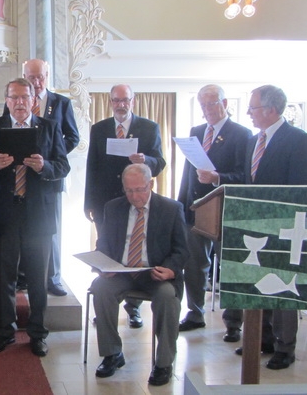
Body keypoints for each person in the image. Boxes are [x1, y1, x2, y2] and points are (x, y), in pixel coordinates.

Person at [0, 78, 70, 357]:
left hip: (38, 214)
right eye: (13, 97)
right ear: (6, 100)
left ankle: (38, 334)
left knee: (38, 279)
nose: (19, 103)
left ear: (33, 100)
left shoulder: (49, 127)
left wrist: (44, 166)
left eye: (24, 97)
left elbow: (63, 166)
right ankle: (5, 332)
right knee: (5, 278)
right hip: (4, 213)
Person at [224, 84, 307, 370]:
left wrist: (277, 218)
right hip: (253, 223)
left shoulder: (298, 140)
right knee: (258, 283)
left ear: (271, 109)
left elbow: (302, 188)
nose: (248, 113)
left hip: (284, 227)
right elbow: (248, 182)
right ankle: (261, 338)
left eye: (253, 108)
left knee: (283, 288)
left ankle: (284, 347)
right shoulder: (253, 141)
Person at [90, 164, 189, 386]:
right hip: (122, 272)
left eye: (140, 190)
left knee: (167, 297)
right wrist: (103, 265)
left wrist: (170, 270)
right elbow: (103, 243)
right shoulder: (113, 207)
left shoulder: (171, 209)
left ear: (150, 184)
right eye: (129, 191)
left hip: (155, 272)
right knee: (100, 288)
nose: (135, 196)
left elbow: (182, 250)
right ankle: (112, 353)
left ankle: (163, 363)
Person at [84, 84, 166, 328]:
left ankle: (133, 307)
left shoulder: (149, 127)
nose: (121, 105)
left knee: (135, 249)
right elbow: (92, 166)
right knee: (107, 250)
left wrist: (146, 160)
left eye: (125, 100)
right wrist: (89, 202)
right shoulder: (99, 128)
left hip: (137, 200)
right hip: (106, 203)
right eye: (116, 100)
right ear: (110, 102)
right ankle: (105, 305)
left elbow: (160, 162)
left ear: (133, 100)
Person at [177, 85, 251, 333]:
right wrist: (182, 204)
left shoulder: (241, 134)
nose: (207, 109)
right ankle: (195, 313)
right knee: (194, 264)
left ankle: (233, 322)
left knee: (230, 266)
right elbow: (189, 172)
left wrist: (217, 178)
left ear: (225, 103)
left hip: (226, 210)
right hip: (196, 208)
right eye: (203, 105)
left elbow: (244, 176)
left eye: (212, 104)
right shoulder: (196, 132)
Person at [6, 59, 80, 296]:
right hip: (21, 177)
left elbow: (73, 137)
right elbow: (9, 130)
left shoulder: (61, 103)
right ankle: (23, 277)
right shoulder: (16, 101)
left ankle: (52, 277)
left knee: (49, 230)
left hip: (48, 176)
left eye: (40, 77)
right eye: (32, 77)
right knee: (22, 229)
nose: (37, 82)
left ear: (47, 76)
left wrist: (49, 154)